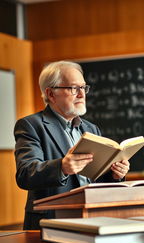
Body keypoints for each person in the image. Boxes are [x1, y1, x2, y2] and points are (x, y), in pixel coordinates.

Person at [14, 61, 130, 230]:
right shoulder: (31, 125)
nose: (82, 94)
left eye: (84, 88)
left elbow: (96, 177)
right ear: (51, 93)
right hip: (51, 222)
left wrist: (115, 174)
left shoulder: (91, 128)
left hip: (92, 217)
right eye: (74, 88)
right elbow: (25, 173)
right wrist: (62, 167)